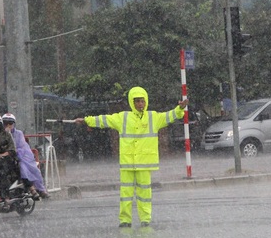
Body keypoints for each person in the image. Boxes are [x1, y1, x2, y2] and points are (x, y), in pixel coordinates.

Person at [74, 86, 189, 228]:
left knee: (145, 194)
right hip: (128, 162)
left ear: (146, 101)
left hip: (145, 163)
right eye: (137, 101)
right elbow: (104, 120)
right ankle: (125, 220)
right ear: (131, 102)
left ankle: (145, 219)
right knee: (126, 194)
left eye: (142, 101)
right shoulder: (123, 118)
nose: (140, 104)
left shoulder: (153, 117)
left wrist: (180, 109)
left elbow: (169, 116)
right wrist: (86, 120)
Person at [2, 113, 50, 199]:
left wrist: (13, 152)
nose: (8, 125)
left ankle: (38, 189)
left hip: (20, 158)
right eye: (6, 123)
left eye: (10, 123)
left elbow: (21, 147)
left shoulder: (18, 134)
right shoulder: (0, 135)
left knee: (26, 168)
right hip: (4, 158)